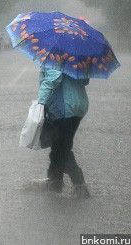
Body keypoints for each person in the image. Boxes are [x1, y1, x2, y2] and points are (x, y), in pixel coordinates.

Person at [37, 68, 91, 198]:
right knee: (59, 145)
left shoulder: (55, 58)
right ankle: (55, 181)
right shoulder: (76, 58)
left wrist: (41, 103)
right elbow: (85, 80)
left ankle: (79, 184)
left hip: (64, 108)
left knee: (61, 148)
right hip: (78, 106)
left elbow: (52, 79)